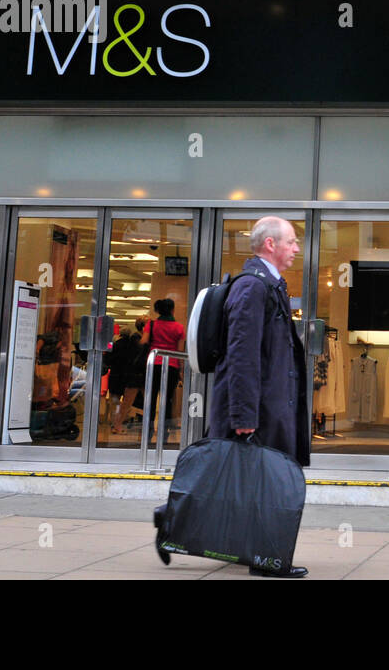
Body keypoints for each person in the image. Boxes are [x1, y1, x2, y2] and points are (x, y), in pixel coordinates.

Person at [209, 216, 310, 578]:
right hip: (260, 411)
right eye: (292, 242)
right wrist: (243, 415)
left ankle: (174, 520)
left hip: (269, 407)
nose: (297, 248)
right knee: (270, 485)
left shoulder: (268, 284)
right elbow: (241, 353)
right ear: (271, 244)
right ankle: (267, 559)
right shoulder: (253, 287)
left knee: (255, 483)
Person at [144, 298, 186, 442]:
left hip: (153, 365)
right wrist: (181, 370)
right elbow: (180, 351)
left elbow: (143, 341)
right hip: (172, 366)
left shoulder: (151, 324)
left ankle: (148, 431)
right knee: (167, 400)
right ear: (172, 310)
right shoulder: (179, 328)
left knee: (150, 399)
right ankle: (164, 431)